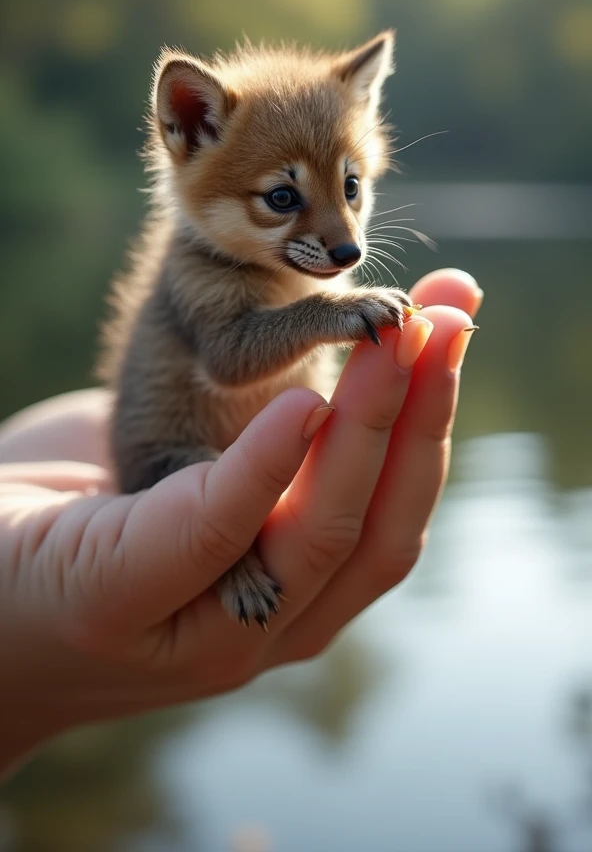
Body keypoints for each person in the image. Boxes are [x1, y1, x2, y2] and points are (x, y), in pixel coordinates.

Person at [0, 268, 481, 780]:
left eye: (353, 188)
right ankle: (229, 557)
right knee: (209, 490)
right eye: (280, 198)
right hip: (167, 451)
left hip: (249, 436)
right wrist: (328, 314)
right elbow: (229, 357)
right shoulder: (201, 267)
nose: (345, 240)